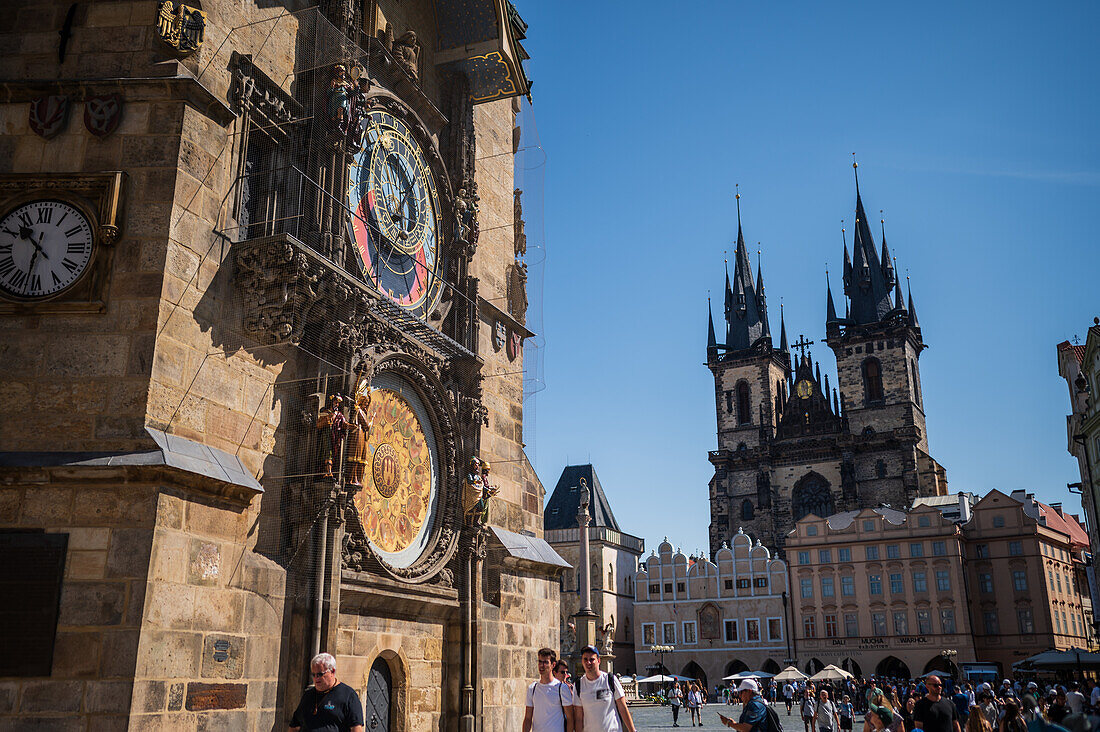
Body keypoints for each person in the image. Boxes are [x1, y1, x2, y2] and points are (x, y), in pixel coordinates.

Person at [289, 652, 365, 732]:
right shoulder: (308, 695)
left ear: (332, 671)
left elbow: (356, 728)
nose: (316, 678)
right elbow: (295, 726)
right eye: (313, 675)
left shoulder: (348, 695)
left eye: (320, 674)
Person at [573, 645, 634, 732]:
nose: (588, 662)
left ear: (598, 661)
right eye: (585, 659)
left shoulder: (610, 680)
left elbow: (623, 708)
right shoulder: (579, 685)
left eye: (592, 659)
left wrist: (632, 730)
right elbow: (579, 717)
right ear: (582, 662)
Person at [523, 647, 575, 732]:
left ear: (553, 665)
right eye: (540, 661)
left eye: (545, 662)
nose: (541, 665)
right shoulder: (532, 688)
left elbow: (570, 718)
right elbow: (528, 718)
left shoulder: (561, 688)